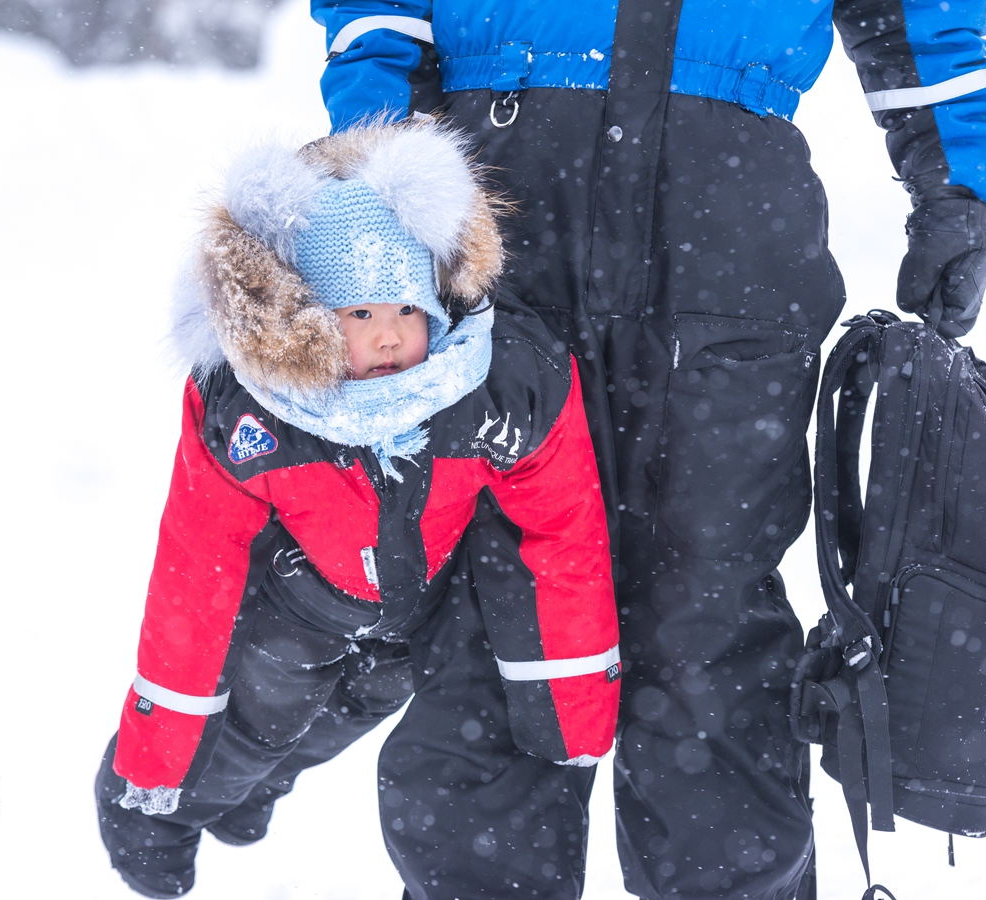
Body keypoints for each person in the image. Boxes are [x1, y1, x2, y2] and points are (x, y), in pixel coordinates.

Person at [308, 2, 986, 899]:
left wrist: (954, 172)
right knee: (496, 610)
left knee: (707, 622)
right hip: (494, 213)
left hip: (725, 224)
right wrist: (383, 145)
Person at [94, 119, 621, 898]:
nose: (388, 337)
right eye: (360, 315)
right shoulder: (254, 416)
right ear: (310, 324)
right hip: (299, 605)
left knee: (327, 732)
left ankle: (259, 787)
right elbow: (194, 576)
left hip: (418, 618)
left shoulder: (495, 388)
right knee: (257, 728)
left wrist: (570, 720)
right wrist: (150, 774)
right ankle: (148, 807)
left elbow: (561, 535)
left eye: (405, 311)